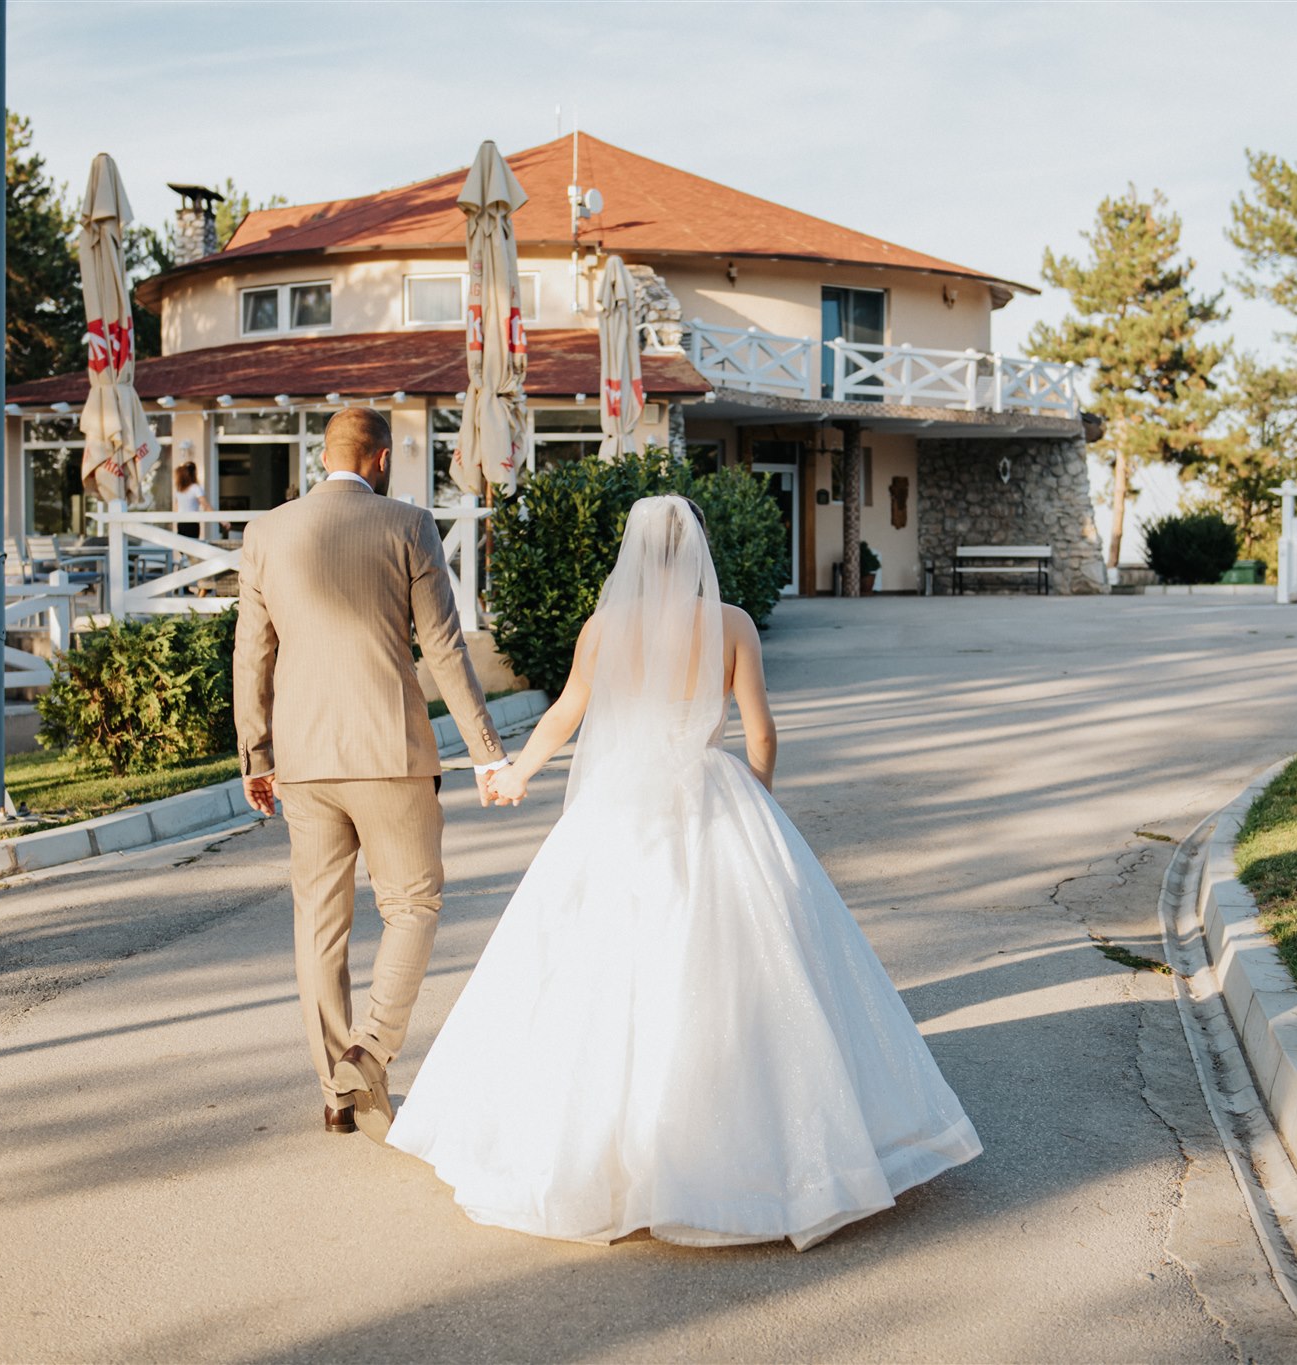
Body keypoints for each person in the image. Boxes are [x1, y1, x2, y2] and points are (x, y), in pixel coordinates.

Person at [388, 496, 980, 1250]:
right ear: (697, 545)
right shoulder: (729, 624)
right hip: (710, 789)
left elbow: (566, 712)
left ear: (635, 552)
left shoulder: (604, 629)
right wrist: (754, 801)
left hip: (617, 805)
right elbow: (761, 727)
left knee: (597, 960)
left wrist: (518, 774)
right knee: (739, 965)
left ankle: (601, 1146)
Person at [232, 407, 512, 1142]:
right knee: (414, 904)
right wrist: (486, 749)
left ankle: (336, 1092)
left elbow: (251, 656)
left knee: (318, 928)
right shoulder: (409, 524)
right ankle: (371, 1048)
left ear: (322, 456)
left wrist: (255, 756)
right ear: (381, 458)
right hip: (389, 753)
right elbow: (445, 648)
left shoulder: (266, 533)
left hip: (302, 761)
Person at [173, 460, 209, 539]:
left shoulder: (179, 490)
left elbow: (176, 508)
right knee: (192, 548)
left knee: (183, 549)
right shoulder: (195, 488)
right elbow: (206, 506)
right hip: (191, 523)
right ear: (193, 474)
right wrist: (222, 521)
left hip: (181, 523)